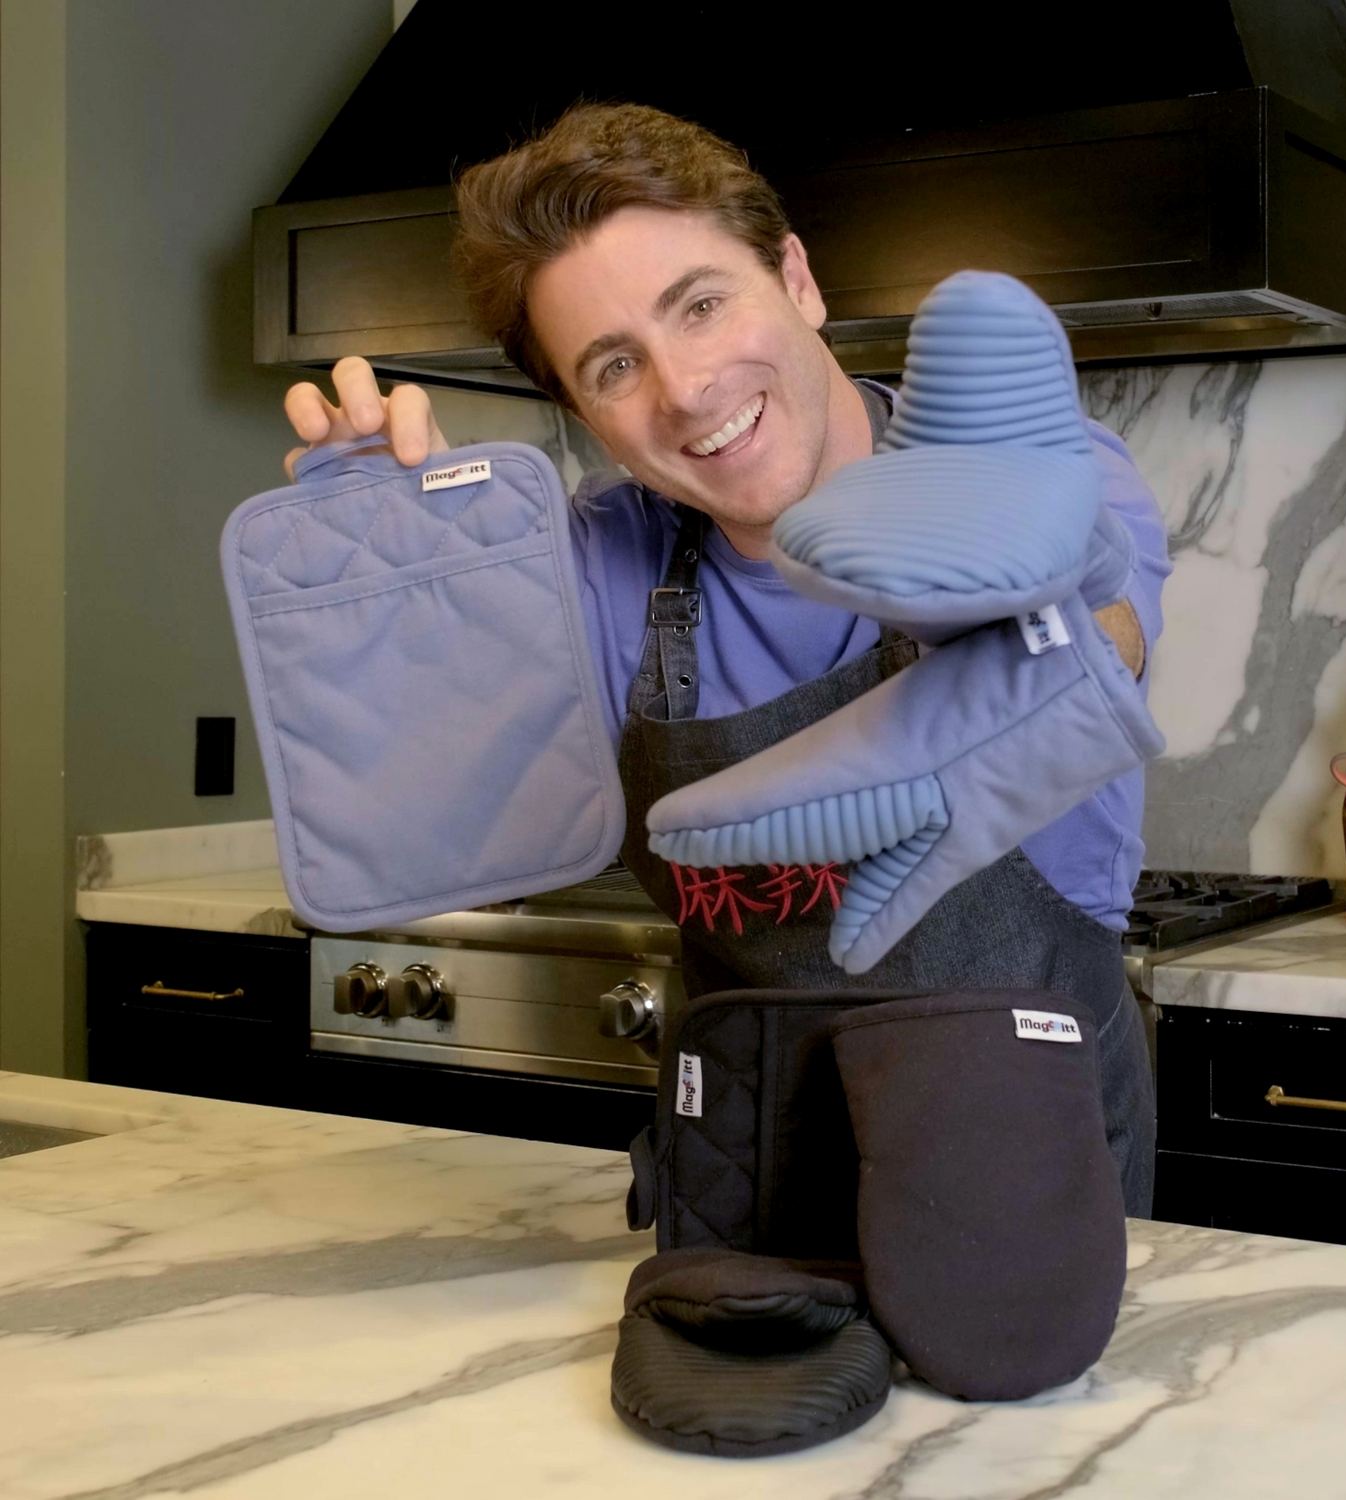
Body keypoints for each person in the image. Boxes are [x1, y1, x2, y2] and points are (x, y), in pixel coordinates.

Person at [281, 103, 1171, 1214]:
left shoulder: (1026, 464)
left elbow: (1100, 653)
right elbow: (433, 827)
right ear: (584, 416)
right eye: (615, 366)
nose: (686, 388)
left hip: (1026, 1178)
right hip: (736, 1176)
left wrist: (1010, 631)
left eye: (701, 305)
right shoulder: (598, 563)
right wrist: (397, 582)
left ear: (796, 279)